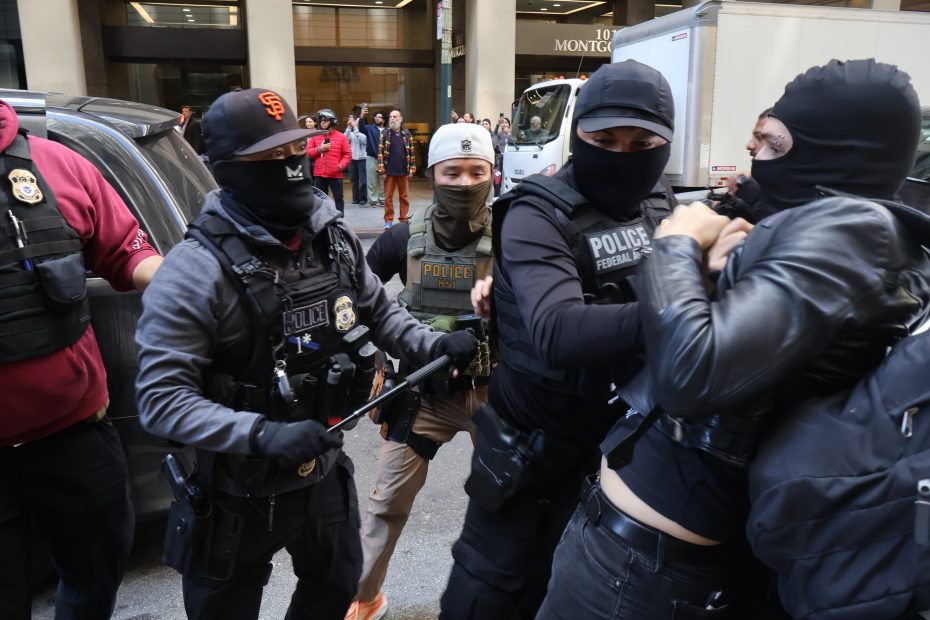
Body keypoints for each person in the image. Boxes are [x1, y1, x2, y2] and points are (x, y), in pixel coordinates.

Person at [537, 58, 930, 619]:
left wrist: (677, 245)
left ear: (838, 148)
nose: (753, 152)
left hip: (644, 564)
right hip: (657, 550)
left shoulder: (849, 231)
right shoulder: (853, 232)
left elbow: (694, 374)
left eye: (772, 142)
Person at [134, 88, 478, 620]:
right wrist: (261, 434)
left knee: (338, 587)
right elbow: (161, 401)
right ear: (227, 169)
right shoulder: (194, 271)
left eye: (295, 151)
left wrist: (433, 345)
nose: (291, 167)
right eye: (269, 159)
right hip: (236, 490)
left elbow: (377, 312)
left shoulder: (331, 235)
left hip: (322, 471)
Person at [439, 60, 677, 619]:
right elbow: (558, 331)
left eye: (641, 142)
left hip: (622, 456)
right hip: (532, 460)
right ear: (578, 135)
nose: (621, 155)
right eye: (604, 139)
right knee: (486, 599)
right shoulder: (535, 212)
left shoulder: (661, 202)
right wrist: (687, 305)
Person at [0, 98, 163, 618]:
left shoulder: (60, 164)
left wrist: (184, 282)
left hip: (75, 434)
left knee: (95, 579)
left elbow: (127, 250)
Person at [346, 122, 497, 620]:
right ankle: (364, 599)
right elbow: (357, 307)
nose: (465, 182)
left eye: (477, 172)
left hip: (495, 394)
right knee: (387, 504)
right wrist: (381, 364)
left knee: (510, 501)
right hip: (422, 394)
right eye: (452, 172)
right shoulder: (398, 240)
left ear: (493, 176)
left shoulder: (516, 237)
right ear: (432, 175)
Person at [378, 109, 416, 229]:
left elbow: (412, 153)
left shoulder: (407, 134)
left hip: (403, 171)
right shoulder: (384, 133)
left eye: (395, 117)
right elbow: (380, 153)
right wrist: (382, 170)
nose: (392, 119)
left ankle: (403, 220)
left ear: (400, 119)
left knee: (404, 197)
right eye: (391, 117)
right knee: (388, 198)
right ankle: (388, 220)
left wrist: (412, 169)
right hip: (389, 171)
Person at [308, 108, 351, 213]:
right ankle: (324, 221)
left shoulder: (341, 137)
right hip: (319, 174)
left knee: (338, 199)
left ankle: (340, 221)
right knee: (321, 200)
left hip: (336, 174)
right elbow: (308, 152)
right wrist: (320, 149)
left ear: (332, 122)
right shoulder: (314, 136)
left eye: (325, 120)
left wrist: (340, 166)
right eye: (321, 120)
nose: (322, 122)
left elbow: (348, 154)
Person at [359, 106, 385, 207]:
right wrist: (362, 115)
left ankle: (382, 199)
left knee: (384, 181)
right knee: (371, 180)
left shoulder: (388, 130)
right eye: (375, 117)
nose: (376, 118)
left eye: (379, 117)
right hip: (371, 157)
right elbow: (361, 127)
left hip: (385, 159)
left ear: (383, 119)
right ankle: (373, 200)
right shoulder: (370, 128)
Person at [345, 114, 369, 206]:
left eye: (357, 122)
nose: (356, 123)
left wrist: (355, 128)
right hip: (352, 159)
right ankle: (355, 198)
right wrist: (348, 127)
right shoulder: (351, 133)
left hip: (362, 159)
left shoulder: (364, 133)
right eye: (355, 121)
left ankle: (363, 198)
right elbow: (344, 138)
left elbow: (362, 140)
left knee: (362, 180)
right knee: (354, 180)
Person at [492, 117, 512, 197]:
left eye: (506, 122)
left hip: (509, 159)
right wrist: (497, 124)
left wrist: (509, 135)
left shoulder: (512, 134)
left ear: (509, 125)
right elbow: (493, 135)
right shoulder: (499, 133)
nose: (504, 123)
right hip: (499, 158)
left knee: (507, 176)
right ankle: (497, 195)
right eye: (503, 122)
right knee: (497, 176)